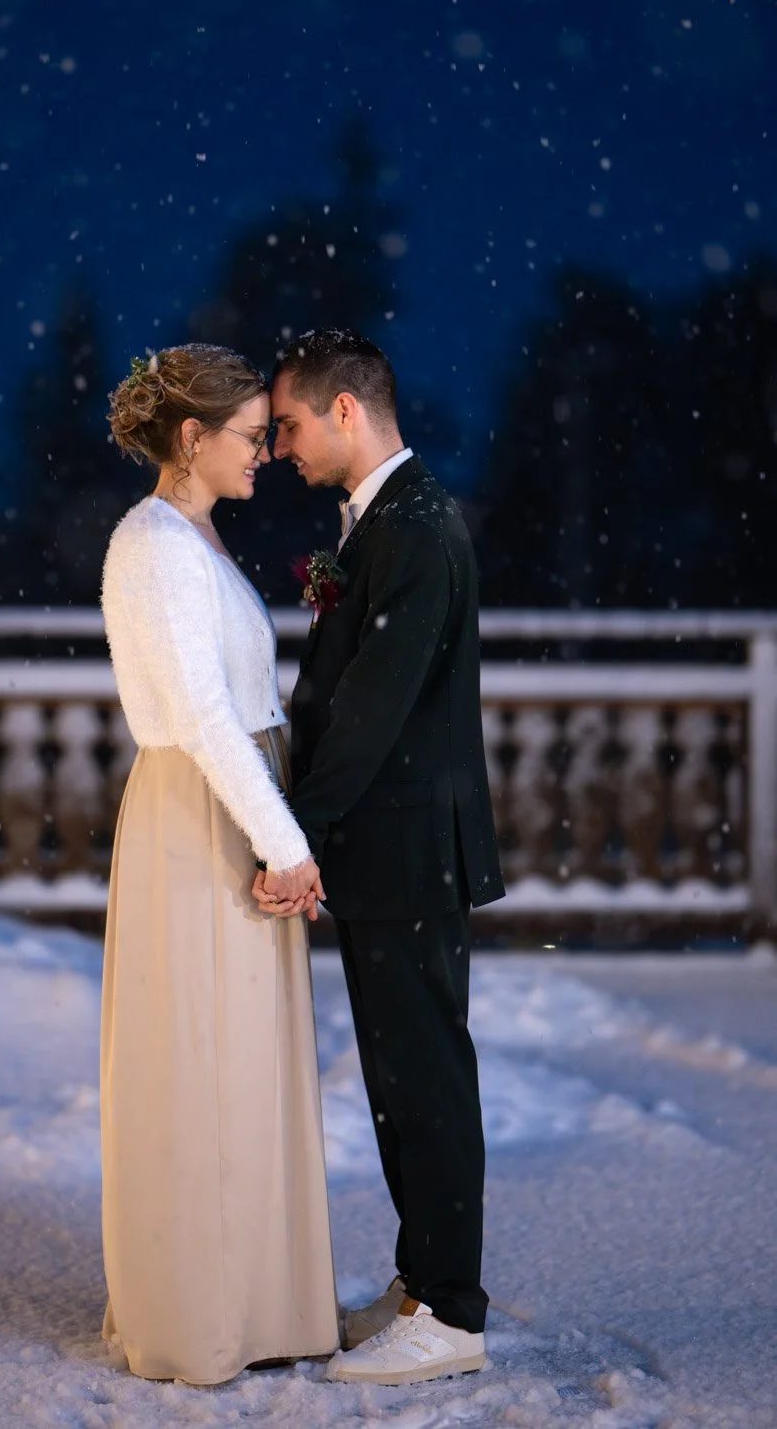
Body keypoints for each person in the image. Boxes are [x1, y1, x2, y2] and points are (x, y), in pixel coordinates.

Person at [255, 328, 505, 1387]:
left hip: (408, 848)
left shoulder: (415, 526)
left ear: (345, 411)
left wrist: (292, 833)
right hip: (386, 848)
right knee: (398, 1083)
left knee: (427, 1079)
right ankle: (418, 1285)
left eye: (291, 424)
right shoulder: (378, 525)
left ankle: (450, 1314)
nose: (278, 447)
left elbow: (369, 707)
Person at [98, 344, 339, 1386]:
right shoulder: (153, 544)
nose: (266, 455)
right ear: (191, 439)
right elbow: (200, 713)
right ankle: (196, 1315)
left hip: (234, 800)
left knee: (240, 1064)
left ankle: (254, 1300)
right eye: (249, 437)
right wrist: (283, 843)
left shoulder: (196, 536)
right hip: (201, 817)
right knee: (198, 1061)